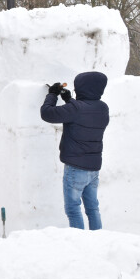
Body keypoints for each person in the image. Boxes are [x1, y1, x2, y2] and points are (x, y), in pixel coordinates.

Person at [40, 72, 109, 230]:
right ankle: (98, 241)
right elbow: (83, 112)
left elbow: (47, 113)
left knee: (73, 209)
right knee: (92, 209)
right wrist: (69, 100)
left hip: (75, 168)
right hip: (93, 169)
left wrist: (52, 95)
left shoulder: (76, 108)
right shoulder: (103, 108)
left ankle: (80, 245)